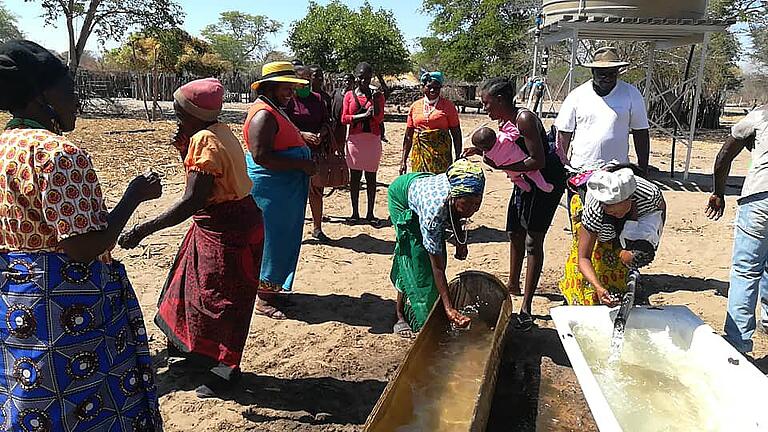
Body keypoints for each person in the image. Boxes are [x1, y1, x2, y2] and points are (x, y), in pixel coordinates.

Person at [0, 40, 163, 430]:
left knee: (28, 398)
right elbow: (84, 246)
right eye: (68, 88)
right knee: (88, 404)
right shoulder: (57, 155)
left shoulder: (5, 148)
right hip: (68, 309)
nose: (77, 99)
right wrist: (132, 198)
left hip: (15, 304)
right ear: (42, 95)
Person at [118, 78, 263, 397]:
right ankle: (196, 353)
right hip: (230, 222)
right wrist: (184, 144)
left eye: (180, 110)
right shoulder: (218, 131)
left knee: (221, 299)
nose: (175, 114)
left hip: (226, 228)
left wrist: (141, 229)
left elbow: (191, 200)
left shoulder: (204, 140)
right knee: (191, 287)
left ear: (195, 113)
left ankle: (226, 370)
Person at [470, 77, 566, 331]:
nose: (485, 109)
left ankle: (526, 307)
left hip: (545, 181)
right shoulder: (505, 121)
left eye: (487, 103)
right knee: (514, 231)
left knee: (533, 241)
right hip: (523, 179)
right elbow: (503, 150)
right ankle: (512, 285)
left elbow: (538, 161)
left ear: (501, 100)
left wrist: (503, 167)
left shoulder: (524, 119)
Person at [244, 61, 316, 319]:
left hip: (284, 190)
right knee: (273, 241)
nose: (291, 93)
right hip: (272, 191)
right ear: (271, 87)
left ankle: (274, 290)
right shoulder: (263, 114)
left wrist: (302, 142)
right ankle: (263, 299)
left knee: (283, 238)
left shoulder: (274, 109)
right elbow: (261, 155)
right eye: (286, 88)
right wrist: (302, 163)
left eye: (292, 88)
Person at [390, 159, 485, 337]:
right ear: (454, 197)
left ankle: (434, 303)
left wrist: (460, 242)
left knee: (432, 257)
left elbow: (455, 214)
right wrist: (449, 309)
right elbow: (438, 267)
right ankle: (400, 315)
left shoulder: (464, 189)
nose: (472, 210)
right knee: (413, 259)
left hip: (424, 184)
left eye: (476, 204)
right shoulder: (433, 214)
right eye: (468, 204)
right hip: (401, 196)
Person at [706, 105, 768, 353]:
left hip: (760, 197)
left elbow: (724, 156)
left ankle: (737, 342)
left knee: (746, 271)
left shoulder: (761, 114)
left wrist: (718, 192)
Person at [561, 166, 666, 306]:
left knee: (621, 260)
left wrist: (649, 243)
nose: (616, 215)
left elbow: (659, 215)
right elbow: (583, 257)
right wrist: (598, 287)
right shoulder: (594, 211)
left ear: (630, 200)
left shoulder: (650, 197)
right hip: (594, 218)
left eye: (619, 212)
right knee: (599, 254)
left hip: (634, 213)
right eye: (612, 213)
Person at [555, 47, 650, 174]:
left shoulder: (631, 94)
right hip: (581, 169)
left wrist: (643, 168)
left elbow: (641, 132)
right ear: (593, 72)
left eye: (612, 73)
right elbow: (564, 133)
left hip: (617, 172)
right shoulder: (577, 96)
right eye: (602, 74)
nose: (608, 78)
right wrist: (561, 166)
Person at [287, 66, 334, 242]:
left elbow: (326, 122)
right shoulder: (289, 102)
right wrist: (301, 135)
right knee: (295, 194)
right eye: (301, 81)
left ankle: (317, 228)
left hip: (315, 153)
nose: (305, 84)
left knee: (316, 191)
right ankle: (294, 230)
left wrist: (321, 134)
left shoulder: (318, 100)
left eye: (308, 80)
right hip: (294, 154)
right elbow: (284, 125)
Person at [341, 62, 386, 224]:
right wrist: (363, 116)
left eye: (367, 77)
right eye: (361, 77)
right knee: (354, 178)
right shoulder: (349, 96)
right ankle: (354, 213)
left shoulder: (378, 96)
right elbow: (344, 118)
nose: (364, 80)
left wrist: (375, 103)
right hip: (355, 141)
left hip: (372, 140)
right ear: (356, 77)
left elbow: (379, 118)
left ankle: (370, 214)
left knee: (371, 178)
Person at [400, 71, 462, 175]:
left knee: (440, 185)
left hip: (441, 157)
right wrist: (403, 160)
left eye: (437, 87)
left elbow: (456, 133)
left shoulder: (448, 106)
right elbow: (408, 136)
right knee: (420, 182)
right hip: (419, 155)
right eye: (429, 87)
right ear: (423, 87)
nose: (433, 90)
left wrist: (458, 157)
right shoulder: (415, 107)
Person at [471, 126, 554, 193]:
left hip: (511, 171)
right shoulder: (503, 137)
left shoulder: (488, 155)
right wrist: (506, 128)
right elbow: (516, 133)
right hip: (524, 162)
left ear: (484, 148)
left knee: (515, 179)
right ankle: (544, 186)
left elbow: (489, 162)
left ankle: (526, 188)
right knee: (534, 173)